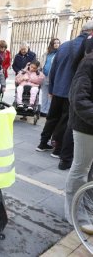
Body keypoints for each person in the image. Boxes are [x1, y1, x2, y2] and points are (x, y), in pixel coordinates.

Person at [36, 25, 91, 159]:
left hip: (57, 89)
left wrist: (51, 89)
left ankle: (42, 143)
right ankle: (57, 149)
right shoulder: (86, 46)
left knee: (52, 117)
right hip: (71, 91)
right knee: (65, 121)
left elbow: (53, 69)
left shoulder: (64, 45)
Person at [64, 44, 93, 234]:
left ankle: (87, 205)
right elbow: (78, 98)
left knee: (90, 171)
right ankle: (75, 213)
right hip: (86, 126)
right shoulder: (89, 63)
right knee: (81, 168)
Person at [58, 21, 93, 170]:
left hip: (66, 87)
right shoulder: (87, 50)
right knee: (80, 167)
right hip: (76, 91)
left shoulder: (68, 44)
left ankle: (63, 158)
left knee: (64, 121)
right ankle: (64, 159)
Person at [39, 38, 60, 117]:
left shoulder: (59, 53)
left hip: (53, 77)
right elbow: (42, 63)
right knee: (44, 94)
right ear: (51, 44)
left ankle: (48, 111)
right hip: (44, 76)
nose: (56, 44)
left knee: (50, 94)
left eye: (58, 43)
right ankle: (42, 110)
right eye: (55, 43)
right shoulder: (46, 54)